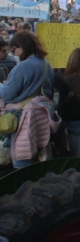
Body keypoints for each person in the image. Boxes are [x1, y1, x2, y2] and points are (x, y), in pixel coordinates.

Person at [0, 31, 56, 168]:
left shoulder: (24, 66)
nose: (13, 53)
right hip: (41, 116)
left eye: (14, 49)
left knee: (22, 159)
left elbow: (8, 94)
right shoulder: (46, 64)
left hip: (24, 118)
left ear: (23, 47)